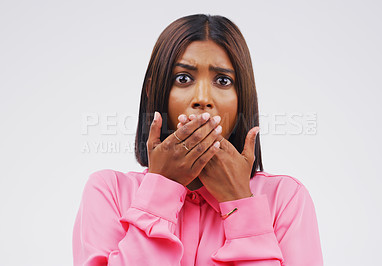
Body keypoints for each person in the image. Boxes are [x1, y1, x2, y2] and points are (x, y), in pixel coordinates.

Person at [73, 14, 323, 265]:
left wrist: (239, 201)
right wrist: (161, 188)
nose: (202, 98)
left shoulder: (286, 199)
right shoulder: (108, 192)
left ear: (242, 96)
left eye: (223, 81)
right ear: (153, 91)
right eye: (183, 78)